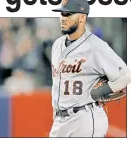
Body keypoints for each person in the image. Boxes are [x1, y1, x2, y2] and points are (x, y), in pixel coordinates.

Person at [49, 0, 131, 137]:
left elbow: (126, 75)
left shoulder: (96, 45)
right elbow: (57, 82)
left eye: (68, 14)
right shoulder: (57, 45)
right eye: (61, 13)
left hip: (85, 117)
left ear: (82, 17)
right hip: (60, 120)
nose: (63, 18)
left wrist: (101, 91)